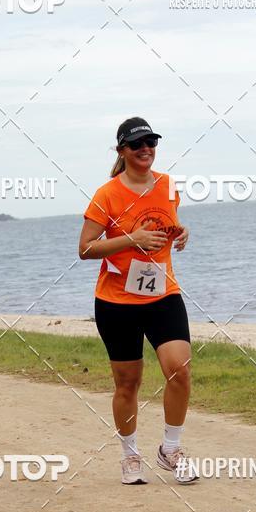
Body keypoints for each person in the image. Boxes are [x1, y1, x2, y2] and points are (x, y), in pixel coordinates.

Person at [79, 118, 198, 485]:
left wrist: (180, 231)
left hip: (163, 294)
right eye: (137, 144)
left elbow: (165, 223)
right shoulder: (107, 194)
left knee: (179, 369)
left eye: (151, 142)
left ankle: (170, 449)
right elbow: (86, 248)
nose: (146, 148)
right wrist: (133, 239)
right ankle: (130, 455)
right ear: (122, 151)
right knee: (127, 383)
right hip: (117, 302)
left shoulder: (168, 185)